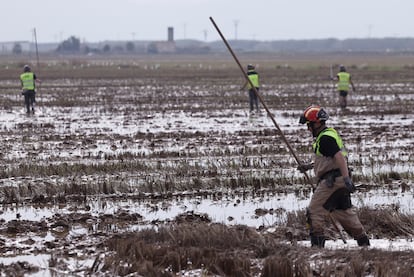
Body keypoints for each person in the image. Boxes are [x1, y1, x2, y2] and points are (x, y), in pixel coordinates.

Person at [298, 105, 370, 248]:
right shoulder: (329, 135)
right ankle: (364, 244)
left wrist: (346, 179)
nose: (308, 129)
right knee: (343, 213)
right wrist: (309, 166)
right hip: (339, 181)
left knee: (314, 211)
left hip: (332, 182)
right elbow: (329, 159)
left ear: (317, 123)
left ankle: (317, 249)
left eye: (309, 125)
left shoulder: (325, 139)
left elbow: (339, 158)